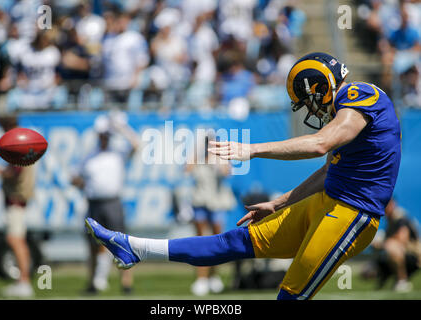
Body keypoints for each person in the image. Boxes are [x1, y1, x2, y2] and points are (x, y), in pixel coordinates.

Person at [85, 52, 401, 300]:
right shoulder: (345, 112)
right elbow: (329, 169)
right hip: (326, 202)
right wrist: (278, 203)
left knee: (290, 295)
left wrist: (252, 149)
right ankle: (135, 248)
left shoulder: (362, 94)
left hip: (352, 214)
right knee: (232, 243)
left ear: (318, 87)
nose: (310, 111)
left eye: (307, 102)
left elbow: (321, 145)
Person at [72, 112, 139, 295]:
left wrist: (121, 128)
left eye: (107, 134)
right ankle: (93, 283)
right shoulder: (89, 156)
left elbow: (136, 145)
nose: (105, 138)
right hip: (93, 203)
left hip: (112, 202)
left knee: (122, 245)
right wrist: (80, 183)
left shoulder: (117, 153)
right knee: (93, 246)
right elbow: (76, 178)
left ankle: (126, 284)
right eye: (103, 134)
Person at [0, 114, 36, 298]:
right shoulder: (22, 139)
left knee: (14, 239)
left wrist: (0, 172)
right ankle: (23, 281)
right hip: (17, 197)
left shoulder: (17, 142)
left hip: (16, 197)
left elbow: (16, 170)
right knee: (18, 239)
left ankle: (24, 281)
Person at [186, 136, 235, 295]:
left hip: (216, 204)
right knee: (200, 239)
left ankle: (214, 276)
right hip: (200, 203)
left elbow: (227, 173)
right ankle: (201, 278)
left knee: (217, 240)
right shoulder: (198, 159)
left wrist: (217, 159)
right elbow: (187, 169)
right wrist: (198, 150)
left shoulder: (220, 159)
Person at [368, 198, 420, 292]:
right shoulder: (390, 219)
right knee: (367, 271)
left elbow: (401, 239)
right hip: (403, 255)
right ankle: (385, 279)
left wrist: (381, 243)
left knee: (391, 246)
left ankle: (402, 281)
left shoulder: (400, 217)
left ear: (393, 204)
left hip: (413, 257)